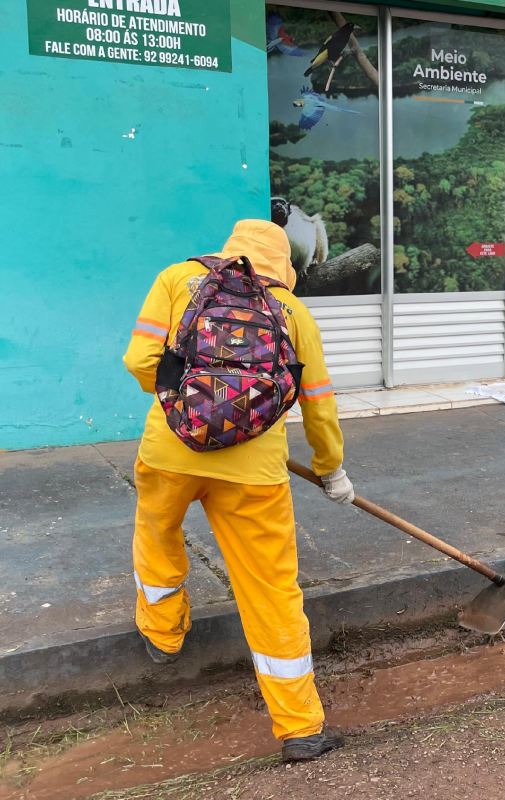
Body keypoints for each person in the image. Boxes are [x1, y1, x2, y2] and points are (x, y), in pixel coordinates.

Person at [122, 219, 354, 762]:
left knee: (157, 533)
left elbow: (139, 360)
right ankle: (301, 728)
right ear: (286, 265)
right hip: (255, 474)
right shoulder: (293, 313)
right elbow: (318, 402)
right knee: (271, 590)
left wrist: (189, 406)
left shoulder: (178, 280)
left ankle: (163, 634)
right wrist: (330, 469)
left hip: (170, 451)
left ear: (230, 250)